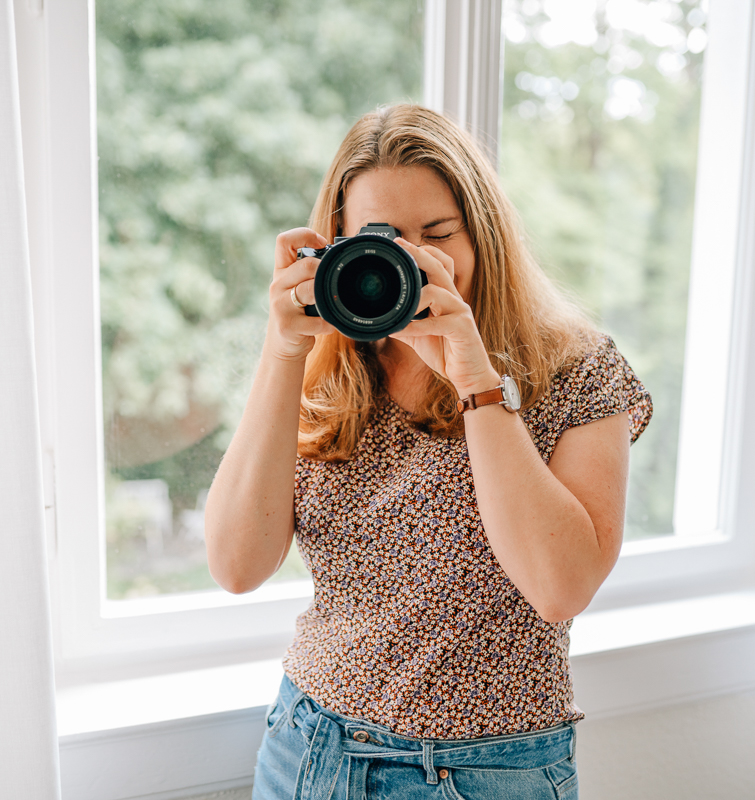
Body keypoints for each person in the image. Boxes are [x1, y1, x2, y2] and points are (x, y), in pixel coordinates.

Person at [204, 104, 652, 799]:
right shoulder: (328, 367)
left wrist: (475, 378)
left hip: (485, 770)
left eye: (436, 235)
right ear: (339, 243)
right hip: (309, 748)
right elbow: (236, 564)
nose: (406, 259)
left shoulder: (576, 370)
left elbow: (561, 587)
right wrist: (285, 347)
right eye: (381, 238)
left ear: (484, 236)